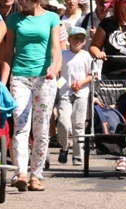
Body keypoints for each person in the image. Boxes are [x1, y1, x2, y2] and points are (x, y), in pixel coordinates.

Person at [1, 0, 62, 192]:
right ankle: (20, 172)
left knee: (42, 128)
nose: (20, 2)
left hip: (44, 79)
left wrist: (54, 67)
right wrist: (3, 83)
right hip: (20, 77)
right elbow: (8, 54)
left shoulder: (52, 19)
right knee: (20, 124)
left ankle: (36, 174)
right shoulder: (14, 20)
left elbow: (56, 48)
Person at [56, 27, 92, 166]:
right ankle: (64, 147)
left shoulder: (87, 56)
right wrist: (63, 85)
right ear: (69, 39)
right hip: (65, 92)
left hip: (81, 93)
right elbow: (58, 73)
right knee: (64, 122)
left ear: (84, 41)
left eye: (81, 38)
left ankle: (78, 154)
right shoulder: (62, 54)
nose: (78, 41)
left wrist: (80, 83)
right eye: (75, 38)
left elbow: (92, 75)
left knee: (78, 124)